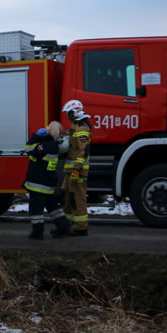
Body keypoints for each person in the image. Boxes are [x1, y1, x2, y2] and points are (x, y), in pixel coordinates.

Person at [24, 121, 72, 239]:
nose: (46, 127)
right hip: (47, 181)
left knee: (36, 209)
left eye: (48, 127)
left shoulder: (45, 145)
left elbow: (29, 149)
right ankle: (63, 226)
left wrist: (37, 136)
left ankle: (37, 232)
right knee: (53, 206)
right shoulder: (53, 145)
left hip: (38, 182)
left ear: (50, 131)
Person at [60, 99, 92, 236]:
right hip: (70, 171)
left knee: (77, 198)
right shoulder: (75, 128)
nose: (68, 116)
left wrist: (76, 170)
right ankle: (67, 224)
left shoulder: (82, 129)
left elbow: (83, 151)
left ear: (75, 112)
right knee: (67, 197)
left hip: (76, 172)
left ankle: (81, 227)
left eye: (69, 113)